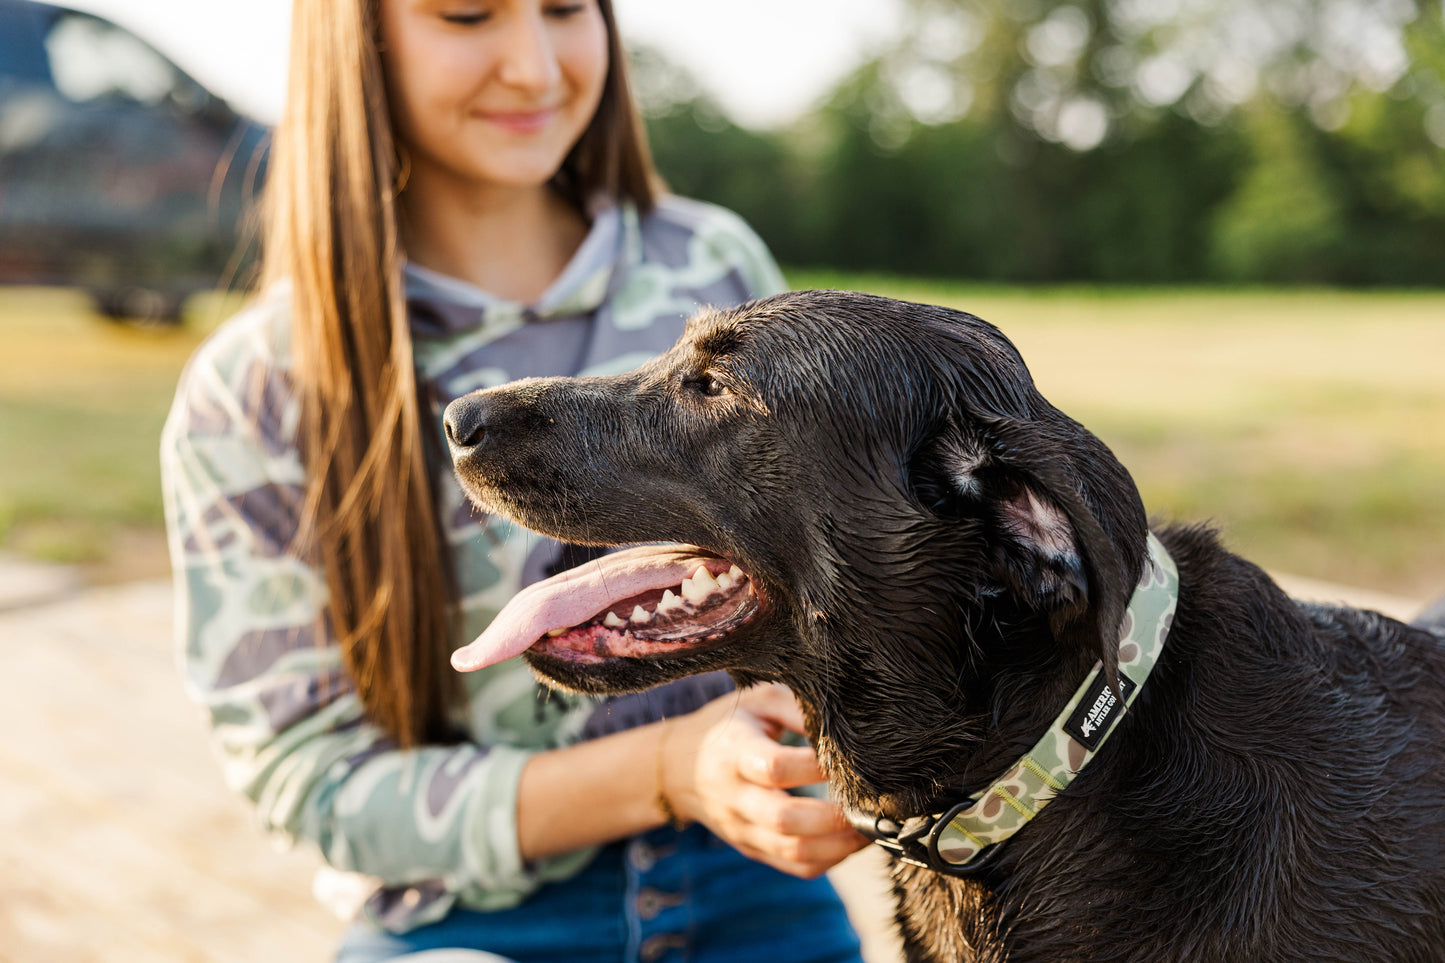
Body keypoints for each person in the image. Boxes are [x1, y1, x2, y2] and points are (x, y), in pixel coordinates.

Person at [159, 1, 868, 961]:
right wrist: (665, 767)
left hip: (753, 882)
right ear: (358, 36)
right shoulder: (254, 389)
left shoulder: (714, 267)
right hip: (467, 915)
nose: (533, 68)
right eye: (467, 14)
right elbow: (309, 778)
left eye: (566, 8)